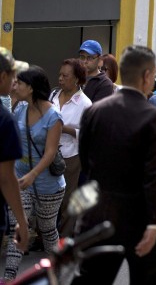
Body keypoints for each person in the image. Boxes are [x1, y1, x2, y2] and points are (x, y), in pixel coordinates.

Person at [74, 46, 156, 285]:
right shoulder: (154, 116)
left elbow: (86, 161)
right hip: (139, 216)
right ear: (147, 76)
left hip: (99, 213)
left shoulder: (94, 111)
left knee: (91, 279)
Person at [4, 66, 65, 280]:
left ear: (30, 88)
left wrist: (34, 174)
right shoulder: (20, 108)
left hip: (48, 185)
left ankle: (56, 272)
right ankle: (9, 278)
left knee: (47, 231)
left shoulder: (53, 116)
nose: (15, 86)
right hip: (21, 181)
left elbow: (50, 153)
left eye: (19, 83)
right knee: (18, 227)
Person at [50, 58, 92, 236]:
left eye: (65, 76)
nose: (60, 78)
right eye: (60, 74)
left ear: (76, 79)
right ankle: (47, 235)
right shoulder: (53, 96)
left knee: (67, 201)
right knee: (47, 198)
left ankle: (64, 237)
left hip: (70, 156)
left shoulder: (85, 103)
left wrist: (64, 128)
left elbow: (88, 135)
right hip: (49, 152)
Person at [0, 48, 28, 257]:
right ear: (3, 77)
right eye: (13, 75)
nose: (15, 80)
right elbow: (6, 178)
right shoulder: (4, 120)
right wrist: (22, 221)